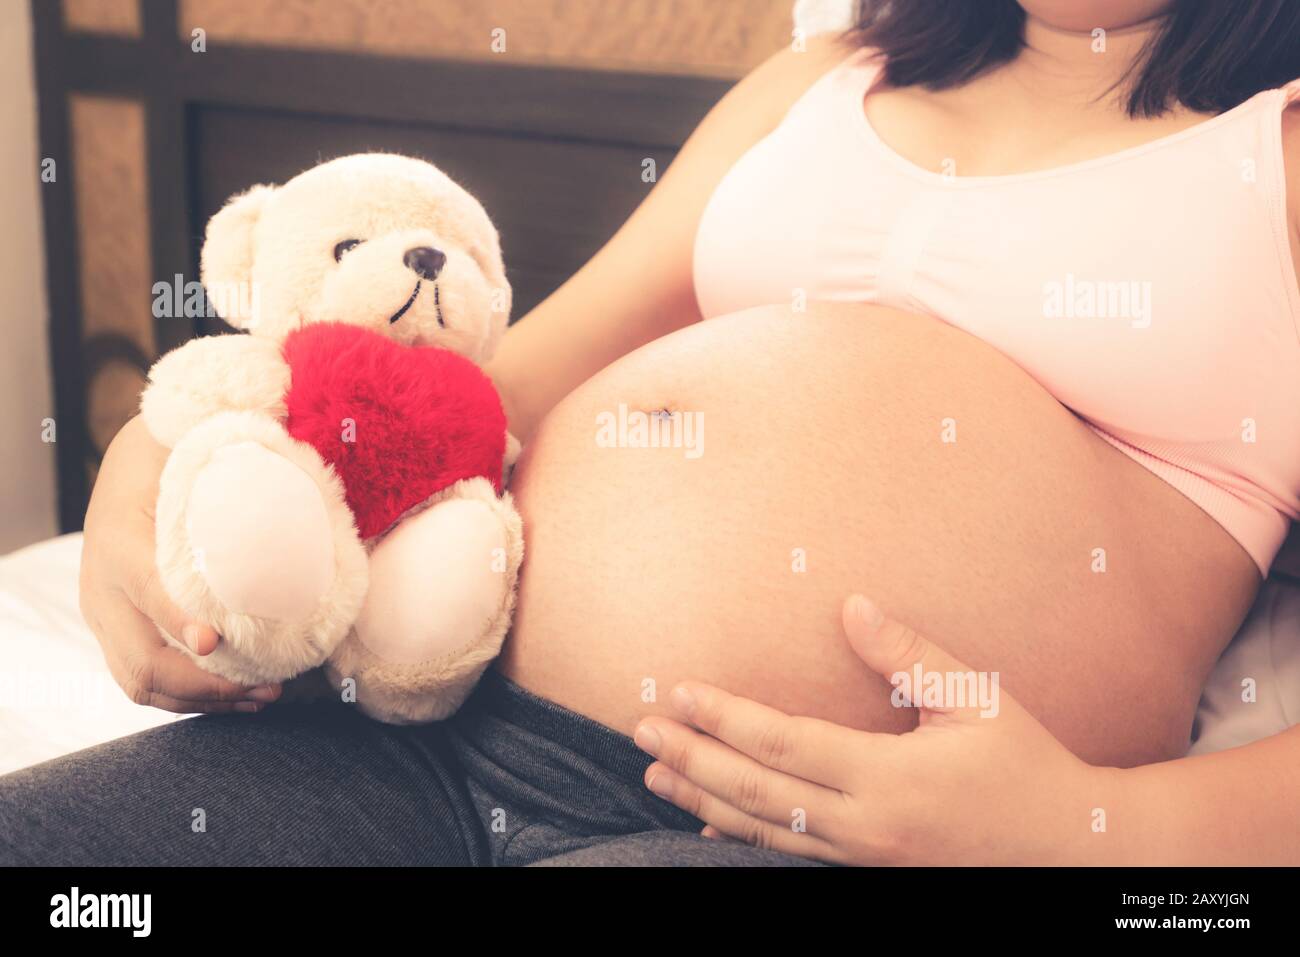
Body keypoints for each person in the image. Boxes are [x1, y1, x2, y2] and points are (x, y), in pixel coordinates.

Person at [4, 0, 1297, 865]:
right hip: (429, 715)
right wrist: (170, 450)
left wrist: (1102, 826)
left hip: (791, 831)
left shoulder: (1275, 150)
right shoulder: (824, 83)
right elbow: (490, 392)